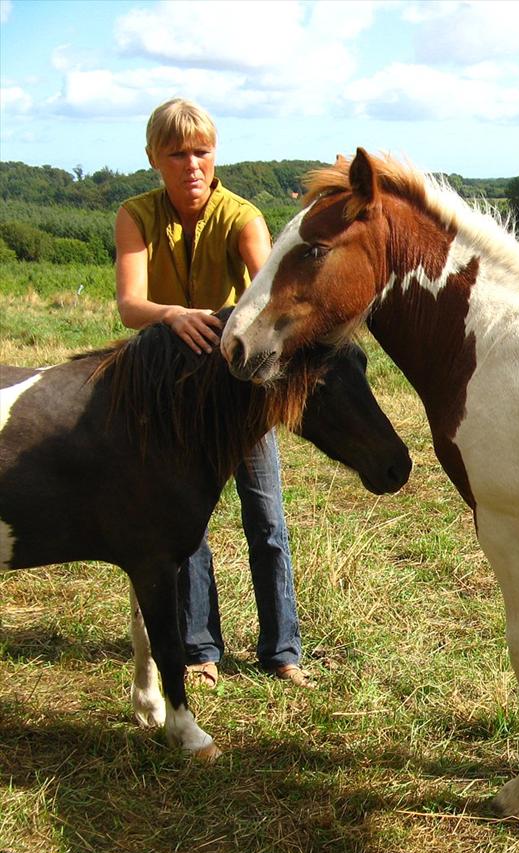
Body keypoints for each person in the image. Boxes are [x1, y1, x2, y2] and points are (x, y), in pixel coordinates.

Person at [114, 97, 313, 688]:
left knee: (267, 519)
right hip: (171, 393)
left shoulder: (241, 216)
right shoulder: (135, 214)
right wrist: (173, 314)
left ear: (214, 153)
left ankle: (282, 651)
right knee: (189, 525)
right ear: (154, 158)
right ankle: (200, 648)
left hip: (238, 390)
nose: (191, 164)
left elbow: (266, 300)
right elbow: (130, 305)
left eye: (201, 151)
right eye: (177, 153)